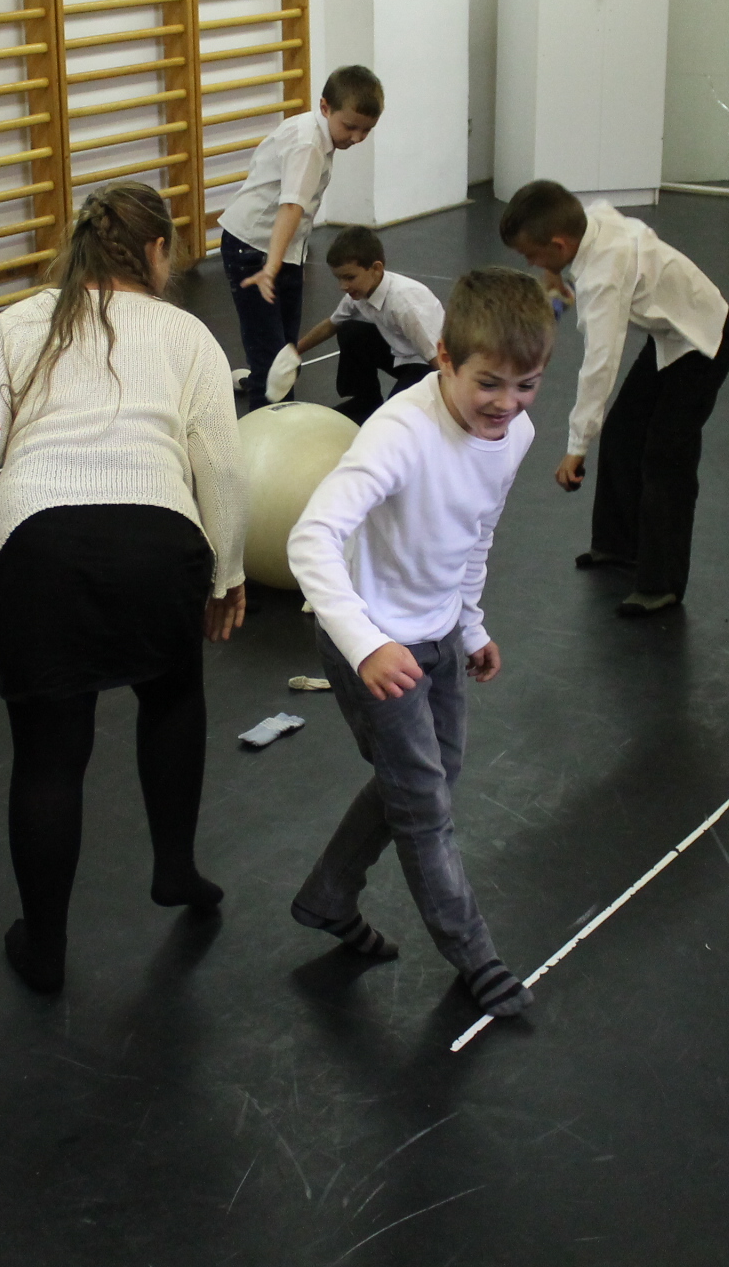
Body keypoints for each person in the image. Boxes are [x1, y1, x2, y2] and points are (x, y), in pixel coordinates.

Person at [0, 180, 248, 995]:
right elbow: (221, 464)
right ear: (156, 251)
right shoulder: (186, 334)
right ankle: (175, 868)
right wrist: (227, 571)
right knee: (173, 695)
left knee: (49, 755)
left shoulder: (14, 325)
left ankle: (44, 948)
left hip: (37, 543)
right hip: (160, 539)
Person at [287, 268, 552, 1019]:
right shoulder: (398, 435)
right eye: (489, 383)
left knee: (431, 778)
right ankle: (475, 956)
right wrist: (366, 644)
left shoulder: (516, 434)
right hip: (373, 643)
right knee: (424, 806)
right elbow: (311, 539)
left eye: (527, 386)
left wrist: (470, 623)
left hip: (436, 635)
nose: (507, 403)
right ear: (444, 358)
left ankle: (327, 895)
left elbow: (476, 531)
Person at [501, 180, 729, 617]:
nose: (532, 265)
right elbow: (602, 210)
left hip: (706, 340)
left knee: (666, 460)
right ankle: (618, 545)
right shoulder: (592, 221)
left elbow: (600, 366)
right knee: (622, 435)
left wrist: (576, 447)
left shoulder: (603, 279)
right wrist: (556, 274)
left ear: (559, 244)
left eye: (532, 256)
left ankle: (662, 585)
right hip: (672, 335)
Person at [215, 66, 383, 404]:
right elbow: (291, 206)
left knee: (284, 355)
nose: (356, 137)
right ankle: (267, 426)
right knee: (273, 364)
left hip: (277, 250)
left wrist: (289, 261)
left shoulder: (319, 134)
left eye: (366, 130)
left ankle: (264, 391)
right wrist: (271, 268)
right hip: (253, 249)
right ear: (325, 107)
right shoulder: (308, 143)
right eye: (350, 126)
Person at [287, 225, 443, 423]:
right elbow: (331, 325)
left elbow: (438, 359)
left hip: (426, 363)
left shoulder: (405, 303)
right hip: (401, 354)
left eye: (349, 277)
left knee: (391, 419)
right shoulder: (359, 294)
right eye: (339, 278)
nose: (343, 286)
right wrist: (294, 352)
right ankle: (365, 400)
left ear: (376, 269)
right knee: (350, 330)